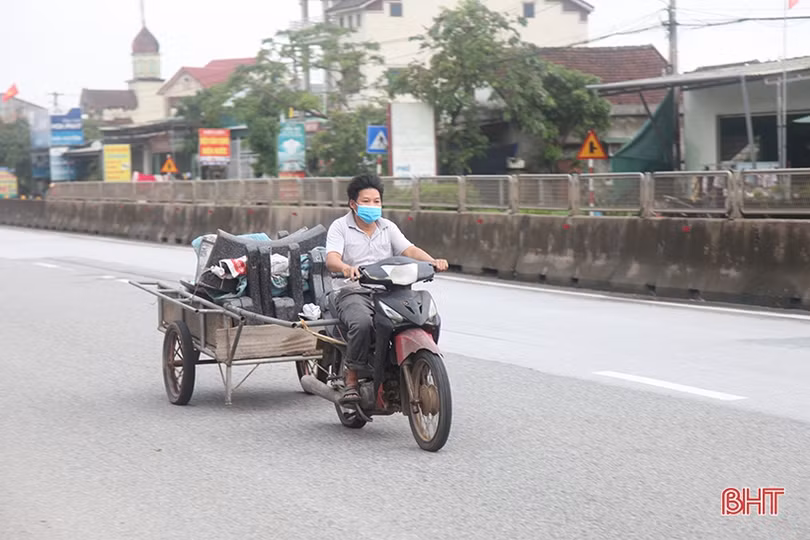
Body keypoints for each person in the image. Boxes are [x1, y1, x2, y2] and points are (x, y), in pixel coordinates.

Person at [325, 174, 449, 404]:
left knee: (423, 316)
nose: (372, 206)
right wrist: (345, 268)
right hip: (352, 291)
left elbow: (409, 250)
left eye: (377, 201)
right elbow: (332, 258)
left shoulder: (387, 227)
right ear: (353, 204)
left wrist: (432, 261)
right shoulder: (340, 227)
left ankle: (413, 364)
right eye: (366, 201)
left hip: (389, 291)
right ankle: (352, 377)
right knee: (362, 323)